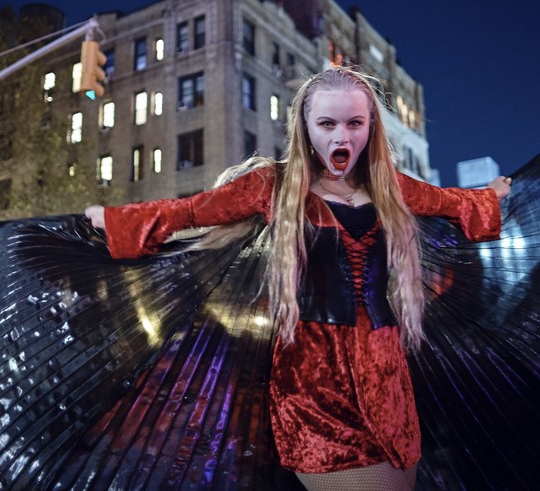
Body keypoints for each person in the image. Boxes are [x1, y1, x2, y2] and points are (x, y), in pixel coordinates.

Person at [85, 66, 510, 491]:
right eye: (327, 123)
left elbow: (454, 203)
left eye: (354, 123)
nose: (342, 137)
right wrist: (115, 221)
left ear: (371, 126)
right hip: (314, 385)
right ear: (305, 128)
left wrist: (489, 197)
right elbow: (192, 211)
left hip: (388, 378)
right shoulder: (275, 183)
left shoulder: (390, 187)